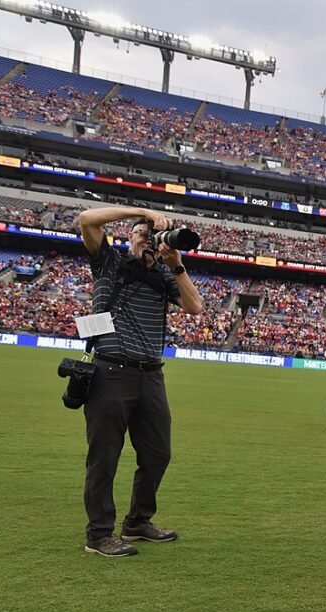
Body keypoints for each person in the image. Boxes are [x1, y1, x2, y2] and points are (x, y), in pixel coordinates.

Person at [76, 206, 203, 557]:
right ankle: (99, 535)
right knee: (104, 457)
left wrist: (176, 262)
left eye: (152, 234)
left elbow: (195, 307)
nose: (146, 238)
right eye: (140, 233)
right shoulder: (109, 262)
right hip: (110, 371)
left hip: (151, 375)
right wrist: (143, 211)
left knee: (158, 453)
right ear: (128, 237)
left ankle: (137, 521)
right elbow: (87, 218)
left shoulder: (165, 274)